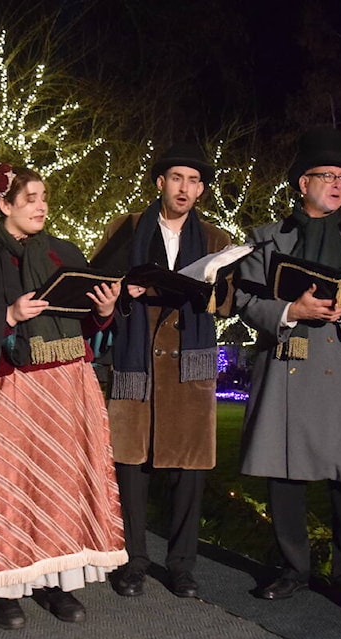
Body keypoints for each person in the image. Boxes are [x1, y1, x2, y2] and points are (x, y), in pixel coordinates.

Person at [0, 163, 127, 630]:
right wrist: (7, 314)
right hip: (11, 388)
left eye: (44, 197)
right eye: (30, 198)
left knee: (60, 483)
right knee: (13, 485)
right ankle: (4, 587)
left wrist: (105, 310)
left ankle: (56, 581)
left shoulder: (64, 254)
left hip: (68, 384)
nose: (41, 205)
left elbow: (91, 321)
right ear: (4, 204)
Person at [233, 127, 341, 616]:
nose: (338, 183)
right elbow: (244, 297)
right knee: (284, 474)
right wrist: (290, 312)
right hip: (288, 364)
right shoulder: (265, 239)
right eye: (327, 175)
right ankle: (292, 570)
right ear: (302, 183)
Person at [90, 144, 236, 600]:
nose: (185, 188)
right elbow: (96, 285)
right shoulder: (127, 228)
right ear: (160, 182)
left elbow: (230, 301)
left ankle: (181, 566)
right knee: (131, 465)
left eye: (194, 181)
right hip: (135, 364)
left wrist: (208, 289)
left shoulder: (215, 238)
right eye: (177, 178)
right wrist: (119, 294)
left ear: (202, 190)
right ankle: (133, 561)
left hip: (188, 371)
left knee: (188, 471)